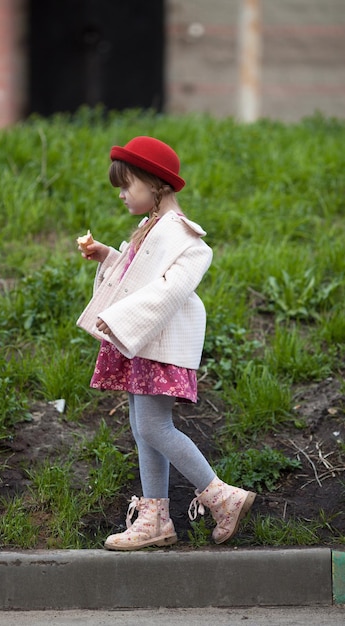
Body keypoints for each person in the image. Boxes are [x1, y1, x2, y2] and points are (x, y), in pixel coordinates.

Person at [77, 136, 255, 551]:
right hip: (143, 340)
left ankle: (221, 497)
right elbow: (141, 276)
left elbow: (167, 292)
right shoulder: (151, 228)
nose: (122, 195)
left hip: (159, 341)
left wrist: (120, 317)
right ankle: (156, 518)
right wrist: (108, 256)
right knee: (143, 429)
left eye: (127, 186)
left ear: (155, 183)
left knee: (154, 425)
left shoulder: (185, 238)